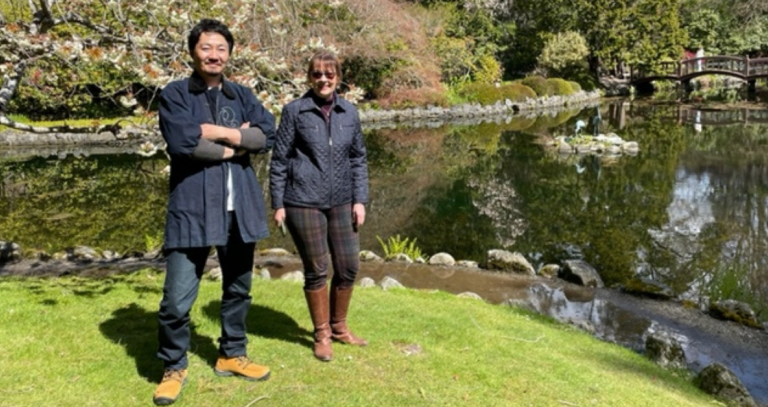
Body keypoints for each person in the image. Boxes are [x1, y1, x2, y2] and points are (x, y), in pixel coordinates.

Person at [153, 18, 275, 406]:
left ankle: (232, 354)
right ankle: (174, 365)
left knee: (238, 288)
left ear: (229, 54)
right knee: (176, 299)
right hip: (192, 209)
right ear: (193, 51)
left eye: (221, 48)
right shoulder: (175, 94)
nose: (214, 55)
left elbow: (266, 134)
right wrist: (237, 146)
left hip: (240, 208)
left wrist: (218, 132)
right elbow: (182, 142)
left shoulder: (241, 95)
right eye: (206, 47)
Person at [269, 50, 369, 362]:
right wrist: (278, 202)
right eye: (317, 74)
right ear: (309, 77)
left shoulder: (349, 112)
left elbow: (358, 158)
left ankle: (339, 327)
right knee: (316, 270)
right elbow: (280, 160)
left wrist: (360, 199)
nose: (323, 80)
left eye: (329, 74)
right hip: (302, 201)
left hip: (343, 201)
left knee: (348, 266)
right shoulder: (295, 111)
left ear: (338, 77)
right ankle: (322, 333)